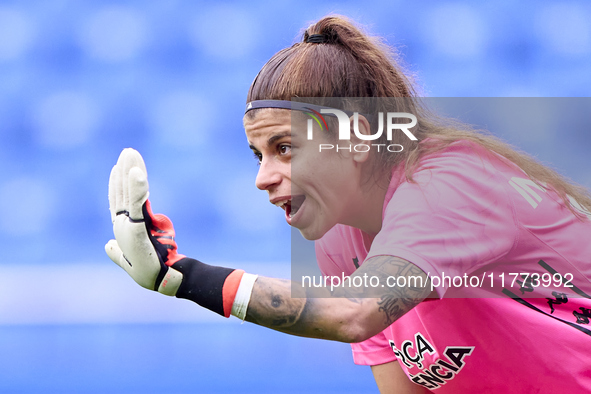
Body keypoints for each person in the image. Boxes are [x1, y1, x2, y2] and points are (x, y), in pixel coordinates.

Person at [105, 15, 591, 393]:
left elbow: (351, 314)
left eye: (285, 148)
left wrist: (186, 275)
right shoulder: (342, 235)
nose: (262, 178)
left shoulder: (449, 185)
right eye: (258, 155)